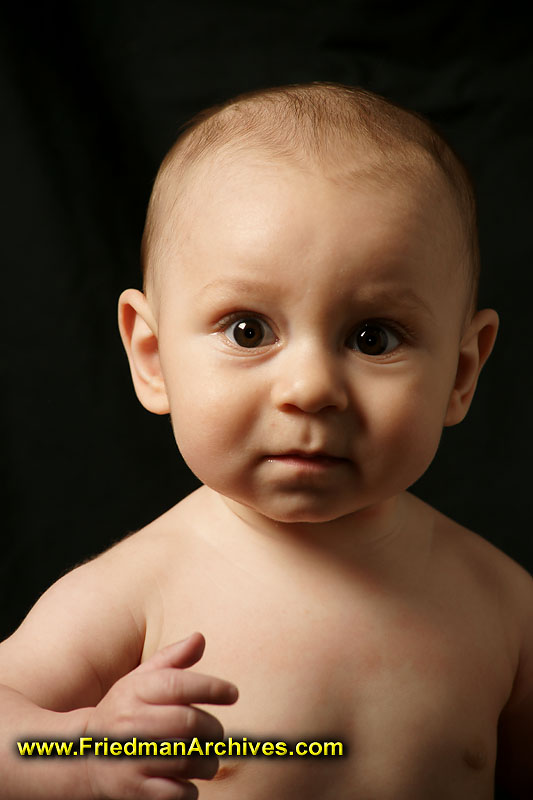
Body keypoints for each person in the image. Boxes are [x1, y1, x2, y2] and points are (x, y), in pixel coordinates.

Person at [0, 82, 531, 800]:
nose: (310, 388)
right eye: (248, 330)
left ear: (460, 372)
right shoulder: (138, 589)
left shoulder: (501, 606)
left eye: (372, 338)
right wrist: (79, 758)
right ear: (152, 358)